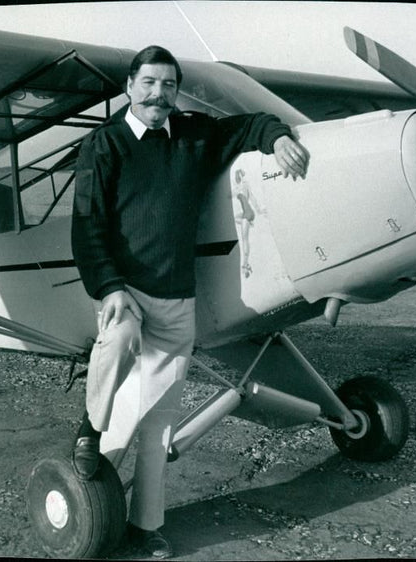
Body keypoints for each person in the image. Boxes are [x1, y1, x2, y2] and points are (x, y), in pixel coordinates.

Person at [71, 45, 308, 559]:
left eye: (170, 85)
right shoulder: (104, 145)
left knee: (157, 421)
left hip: (177, 298)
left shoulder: (194, 136)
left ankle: (143, 527)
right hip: (126, 292)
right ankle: (88, 432)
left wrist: (278, 137)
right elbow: (87, 226)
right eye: (150, 83)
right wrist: (110, 287)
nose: (160, 94)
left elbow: (249, 125)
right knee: (120, 338)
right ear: (130, 86)